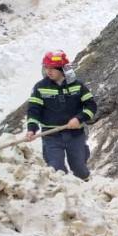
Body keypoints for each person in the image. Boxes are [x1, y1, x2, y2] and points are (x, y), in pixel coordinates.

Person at [26, 50, 97, 180]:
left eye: (52, 68)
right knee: (56, 169)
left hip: (76, 135)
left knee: (80, 169)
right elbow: (33, 110)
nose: (49, 71)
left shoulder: (78, 86)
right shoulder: (40, 87)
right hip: (51, 135)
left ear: (62, 69)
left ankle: (86, 188)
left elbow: (91, 106)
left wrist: (79, 118)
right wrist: (31, 129)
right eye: (46, 67)